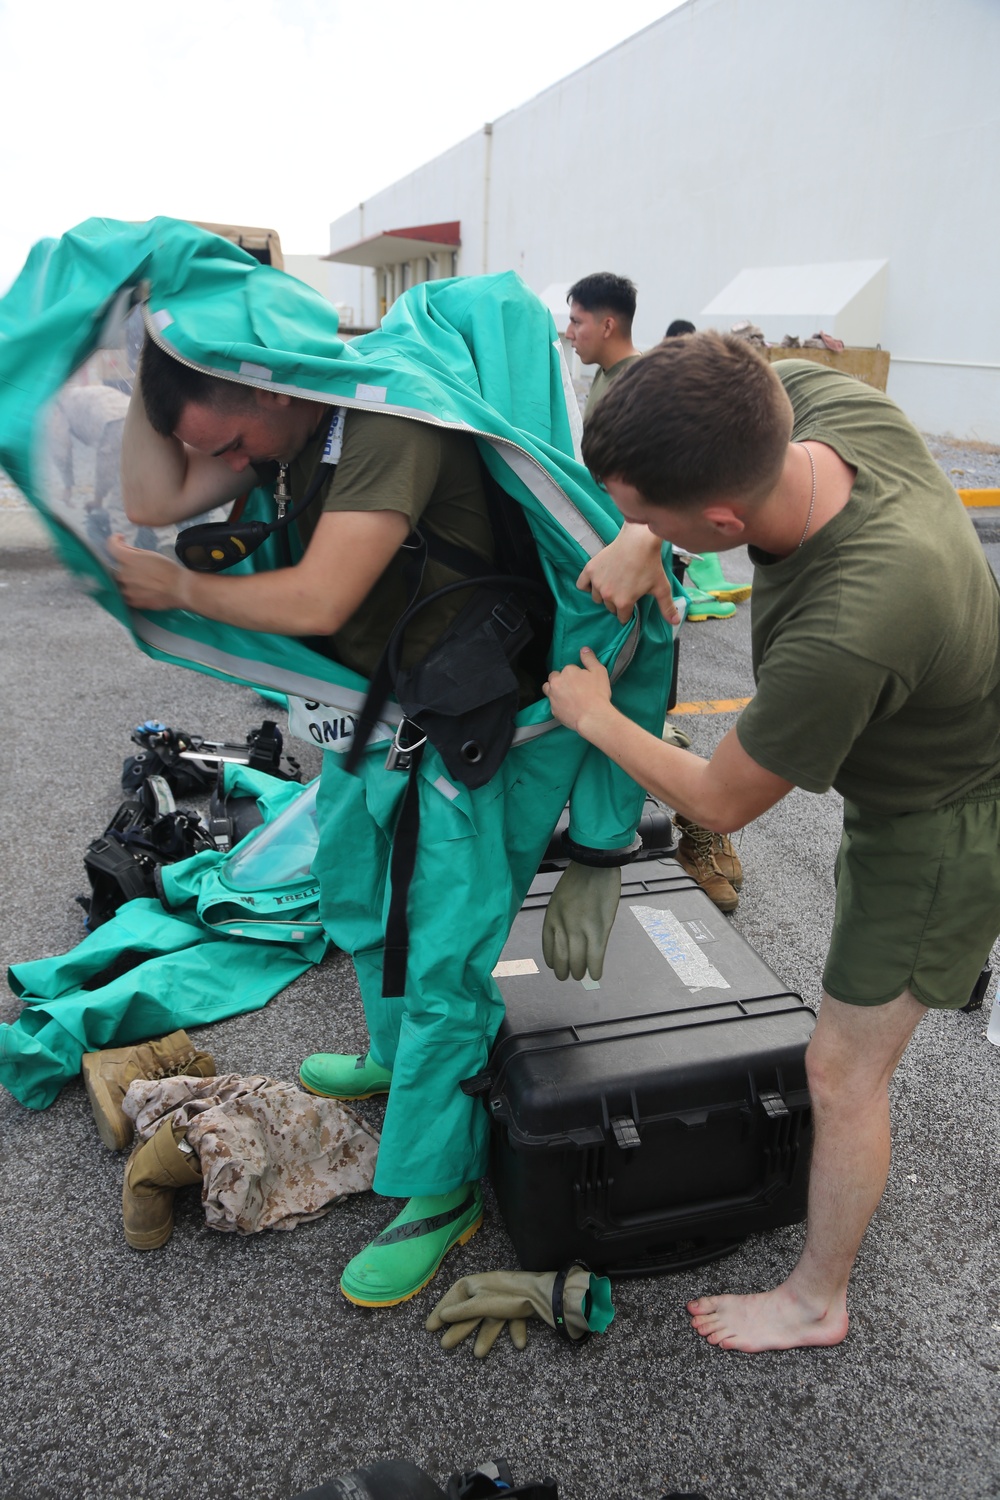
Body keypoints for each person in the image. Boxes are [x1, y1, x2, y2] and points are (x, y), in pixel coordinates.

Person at [108, 294, 673, 1309]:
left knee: (446, 961)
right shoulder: (284, 429)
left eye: (227, 439)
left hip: (464, 737)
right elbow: (154, 497)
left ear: (261, 382)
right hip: (365, 720)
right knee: (362, 902)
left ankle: (437, 1185)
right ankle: (391, 1056)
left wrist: (179, 590)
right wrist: (149, 358)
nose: (223, 464)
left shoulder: (381, 421)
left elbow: (320, 597)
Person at [543, 330, 1000, 1351]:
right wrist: (638, 536)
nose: (629, 528)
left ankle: (815, 1300)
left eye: (642, 514)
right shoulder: (802, 404)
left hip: (945, 821)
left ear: (719, 520)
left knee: (841, 1074)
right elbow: (732, 372)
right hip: (940, 719)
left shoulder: (852, 620)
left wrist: (591, 714)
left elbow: (717, 799)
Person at [571, 279, 743, 910]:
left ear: (610, 324)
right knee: (627, 714)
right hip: (609, 561)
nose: (571, 334)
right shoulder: (601, 383)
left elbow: (670, 491)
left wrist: (644, 540)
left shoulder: (644, 387)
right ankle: (705, 824)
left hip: (638, 578)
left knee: (634, 717)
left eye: (579, 322)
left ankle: (702, 827)